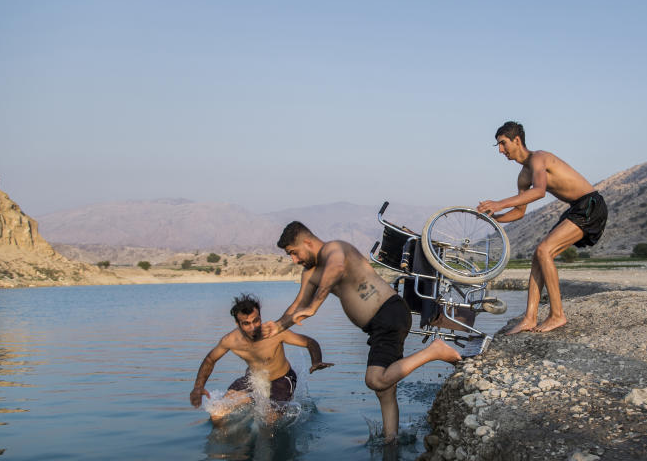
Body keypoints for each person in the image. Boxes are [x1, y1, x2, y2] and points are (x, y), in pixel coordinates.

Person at [260, 222, 461, 441]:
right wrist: (278, 326)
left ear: (307, 242)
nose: (294, 260)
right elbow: (298, 304)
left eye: (294, 253)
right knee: (384, 390)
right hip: (377, 325)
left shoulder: (335, 249)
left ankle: (436, 351)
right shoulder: (310, 274)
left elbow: (336, 270)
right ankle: (390, 440)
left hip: (389, 313)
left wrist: (314, 306)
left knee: (375, 379)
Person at [477, 121, 608, 334]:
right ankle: (529, 318)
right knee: (538, 255)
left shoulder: (539, 158)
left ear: (516, 140)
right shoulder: (522, 176)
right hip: (576, 208)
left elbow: (539, 191)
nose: (500, 150)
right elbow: (519, 212)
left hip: (591, 205)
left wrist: (499, 202)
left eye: (503, 143)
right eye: (498, 146)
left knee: (544, 250)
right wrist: (495, 217)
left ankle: (557, 315)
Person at [190, 293, 333, 423]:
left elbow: (309, 342)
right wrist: (198, 387)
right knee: (217, 414)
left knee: (269, 422)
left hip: (281, 380)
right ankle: (232, 447)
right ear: (237, 324)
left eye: (256, 320)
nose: (253, 327)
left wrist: (316, 361)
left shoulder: (275, 332)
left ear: (260, 317)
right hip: (254, 378)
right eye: (246, 323)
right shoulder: (230, 340)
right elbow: (210, 359)